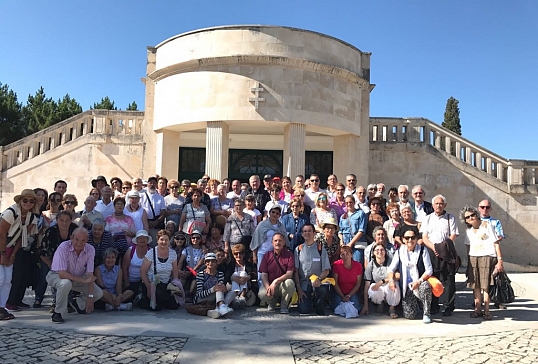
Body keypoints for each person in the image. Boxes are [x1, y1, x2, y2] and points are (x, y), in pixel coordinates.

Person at [46, 228, 104, 323]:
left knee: (98, 293)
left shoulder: (90, 249)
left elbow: (90, 274)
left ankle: (77, 303)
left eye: (83, 240)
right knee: (65, 283)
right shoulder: (63, 247)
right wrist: (83, 280)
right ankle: (58, 313)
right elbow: (62, 273)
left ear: (87, 240)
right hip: (56, 275)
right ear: (71, 238)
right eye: (77, 239)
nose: (79, 243)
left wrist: (90, 296)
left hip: (78, 278)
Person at [0, 189, 40, 318]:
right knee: (0, 279)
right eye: (25, 200)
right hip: (1, 247)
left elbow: (21, 238)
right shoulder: (10, 213)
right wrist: (2, 254)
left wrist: (12, 255)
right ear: (19, 201)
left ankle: (2, 307)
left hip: (10, 248)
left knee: (8, 280)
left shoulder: (32, 218)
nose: (28, 203)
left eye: (31, 201)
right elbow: (1, 234)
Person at [461, 205, 504, 320]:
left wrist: (500, 260)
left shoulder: (487, 226)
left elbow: (496, 243)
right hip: (473, 258)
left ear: (476, 215)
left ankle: (487, 311)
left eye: (472, 215)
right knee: (475, 286)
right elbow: (468, 247)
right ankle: (477, 309)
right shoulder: (468, 231)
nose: (471, 218)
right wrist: (468, 262)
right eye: (467, 217)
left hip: (487, 257)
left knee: (486, 286)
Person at [420, 194, 459, 316]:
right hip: (432, 252)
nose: (438, 206)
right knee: (433, 279)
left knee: (448, 279)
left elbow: (453, 235)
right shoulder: (427, 218)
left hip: (446, 252)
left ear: (445, 205)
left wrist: (443, 248)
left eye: (441, 203)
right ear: (432, 205)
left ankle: (448, 306)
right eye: (436, 203)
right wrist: (434, 248)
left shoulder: (450, 218)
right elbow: (424, 237)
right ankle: (434, 306)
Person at [387, 226, 434, 323]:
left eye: (412, 238)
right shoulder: (399, 252)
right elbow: (391, 269)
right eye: (407, 238)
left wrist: (419, 281)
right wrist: (391, 280)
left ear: (416, 238)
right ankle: (416, 305)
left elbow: (429, 270)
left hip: (419, 284)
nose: (410, 240)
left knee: (425, 286)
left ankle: (426, 313)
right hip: (407, 287)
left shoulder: (423, 251)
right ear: (403, 239)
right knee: (410, 316)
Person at [35, 211, 78, 310]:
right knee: (57, 280)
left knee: (70, 280)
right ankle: (55, 303)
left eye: (67, 220)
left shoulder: (75, 230)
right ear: (57, 221)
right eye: (61, 220)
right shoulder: (51, 232)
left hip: (72, 260)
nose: (64, 223)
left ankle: (69, 302)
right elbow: (43, 252)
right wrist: (52, 265)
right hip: (51, 259)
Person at [294, 223, 331, 315]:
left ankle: (318, 302)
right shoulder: (298, 249)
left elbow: (326, 269)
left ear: (314, 233)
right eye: (305, 231)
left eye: (309, 231)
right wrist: (299, 289)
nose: (307, 233)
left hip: (318, 282)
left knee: (322, 289)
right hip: (304, 283)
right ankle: (309, 301)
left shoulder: (320, 248)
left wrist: (319, 279)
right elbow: (295, 271)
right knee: (304, 310)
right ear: (302, 234)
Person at [139, 230, 180, 311]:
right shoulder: (151, 253)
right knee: (157, 307)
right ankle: (141, 299)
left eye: (166, 240)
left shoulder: (173, 253)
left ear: (169, 241)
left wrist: (175, 285)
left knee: (175, 306)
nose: (164, 242)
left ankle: (161, 300)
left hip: (166, 284)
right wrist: (148, 288)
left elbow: (175, 271)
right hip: (152, 284)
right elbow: (143, 271)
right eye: (161, 239)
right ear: (157, 240)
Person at [258, 232, 296, 314]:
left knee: (290, 283)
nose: (277, 242)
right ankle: (272, 303)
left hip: (283, 285)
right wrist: (268, 287)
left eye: (280, 240)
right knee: (262, 293)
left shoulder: (289, 255)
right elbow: (264, 274)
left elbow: (289, 274)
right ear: (272, 243)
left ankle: (284, 305)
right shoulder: (267, 255)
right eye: (275, 241)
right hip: (270, 284)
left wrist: (275, 282)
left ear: (284, 242)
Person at [361, 243, 399, 318]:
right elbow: (366, 286)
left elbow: (398, 276)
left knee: (395, 285)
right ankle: (380, 304)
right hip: (379, 288)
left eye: (382, 250)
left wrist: (383, 281)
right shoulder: (370, 265)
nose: (380, 252)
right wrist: (365, 305)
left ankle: (392, 309)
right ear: (373, 252)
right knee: (372, 289)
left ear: (385, 251)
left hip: (388, 286)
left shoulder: (390, 262)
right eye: (377, 250)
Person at [194, 252, 235, 319]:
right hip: (202, 299)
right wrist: (213, 289)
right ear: (205, 263)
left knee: (232, 291)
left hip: (216, 297)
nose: (210, 263)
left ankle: (218, 309)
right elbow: (199, 294)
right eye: (208, 261)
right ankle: (222, 306)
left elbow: (221, 289)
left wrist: (225, 290)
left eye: (213, 261)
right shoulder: (200, 274)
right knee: (218, 288)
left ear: (216, 263)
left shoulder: (220, 274)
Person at [250, 205, 290, 270]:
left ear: (279, 215)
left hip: (276, 254)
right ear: (269, 212)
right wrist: (254, 255)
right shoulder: (262, 224)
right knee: (261, 274)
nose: (275, 214)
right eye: (273, 212)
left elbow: (285, 240)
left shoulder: (281, 226)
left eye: (277, 213)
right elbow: (256, 239)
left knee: (273, 274)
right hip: (263, 252)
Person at [121, 230, 151, 303]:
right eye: (140, 238)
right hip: (130, 280)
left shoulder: (151, 251)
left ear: (147, 240)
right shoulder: (131, 250)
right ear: (136, 240)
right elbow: (124, 267)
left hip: (144, 281)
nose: (142, 240)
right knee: (130, 293)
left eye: (144, 238)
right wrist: (126, 282)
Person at [332, 246, 363, 314]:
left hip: (352, 292)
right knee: (336, 308)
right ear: (340, 255)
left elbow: (358, 284)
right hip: (339, 292)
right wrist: (342, 296)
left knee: (357, 308)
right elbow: (335, 283)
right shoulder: (336, 265)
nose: (345, 256)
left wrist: (349, 295)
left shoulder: (358, 266)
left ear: (351, 255)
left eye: (347, 254)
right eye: (343, 254)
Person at [338, 195, 367, 265]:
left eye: (350, 202)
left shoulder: (361, 213)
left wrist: (351, 243)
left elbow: (361, 230)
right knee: (345, 265)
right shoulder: (343, 216)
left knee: (357, 264)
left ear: (354, 202)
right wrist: (341, 242)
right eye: (347, 202)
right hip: (345, 244)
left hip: (357, 244)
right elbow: (340, 232)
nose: (349, 204)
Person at [140, 176, 167, 242]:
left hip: (155, 224)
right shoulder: (141, 196)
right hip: (143, 224)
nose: (152, 185)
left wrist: (157, 221)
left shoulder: (160, 197)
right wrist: (146, 222)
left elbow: (163, 212)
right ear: (147, 184)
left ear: (156, 184)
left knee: (154, 244)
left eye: (154, 183)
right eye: (150, 183)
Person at [227, 244, 251, 308]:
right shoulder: (231, 265)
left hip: (246, 284)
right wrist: (233, 278)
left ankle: (242, 296)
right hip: (233, 284)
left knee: (243, 273)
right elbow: (227, 276)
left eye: (240, 253)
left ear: (244, 254)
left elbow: (253, 274)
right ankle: (236, 296)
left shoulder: (248, 264)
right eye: (236, 254)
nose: (238, 255)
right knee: (235, 274)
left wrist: (247, 278)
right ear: (233, 255)